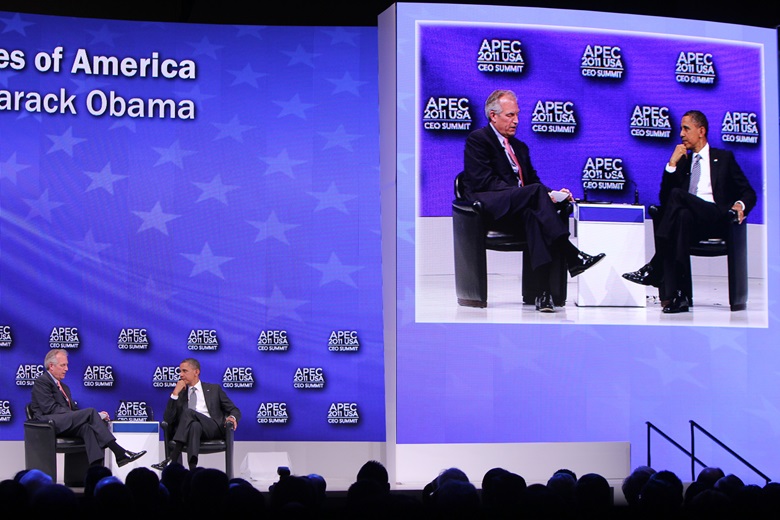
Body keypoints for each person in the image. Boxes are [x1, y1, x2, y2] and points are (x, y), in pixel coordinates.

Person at [461, 89, 605, 312]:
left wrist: (554, 193)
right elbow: (484, 181)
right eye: (510, 115)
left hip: (519, 208)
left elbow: (533, 182)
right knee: (535, 195)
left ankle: (543, 294)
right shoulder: (478, 140)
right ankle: (572, 255)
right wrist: (525, 194)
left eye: (517, 115)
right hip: (488, 207)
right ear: (493, 115)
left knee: (534, 216)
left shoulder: (520, 147)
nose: (516, 121)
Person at [622, 110, 756, 313]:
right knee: (682, 216)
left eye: (686, 129)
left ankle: (656, 265)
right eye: (680, 129)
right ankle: (681, 298)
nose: (681, 134)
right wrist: (672, 164)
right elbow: (665, 200)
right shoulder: (683, 163)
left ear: (701, 131)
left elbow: (748, 192)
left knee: (679, 196)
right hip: (692, 224)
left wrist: (740, 204)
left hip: (717, 219)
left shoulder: (724, 158)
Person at [30, 349, 146, 468]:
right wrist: (83, 415)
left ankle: (96, 469)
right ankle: (119, 452)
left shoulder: (64, 387)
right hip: (48, 424)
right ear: (51, 366)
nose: (66, 369)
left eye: (67, 365)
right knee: (90, 412)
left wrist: (82, 415)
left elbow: (72, 410)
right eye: (63, 365)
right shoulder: (42, 382)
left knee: (87, 428)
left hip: (63, 421)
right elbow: (49, 408)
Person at [151, 358, 240, 471]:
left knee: (189, 412)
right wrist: (175, 394)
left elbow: (234, 409)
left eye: (184, 371)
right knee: (194, 425)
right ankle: (193, 469)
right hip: (191, 431)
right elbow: (168, 419)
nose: (181, 375)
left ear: (196, 372)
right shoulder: (180, 393)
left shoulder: (214, 389)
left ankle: (171, 458)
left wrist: (232, 418)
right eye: (180, 371)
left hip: (212, 428)